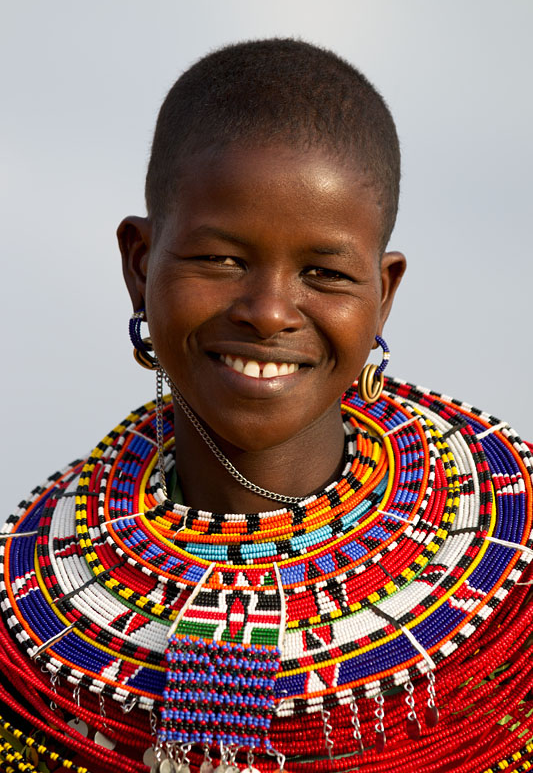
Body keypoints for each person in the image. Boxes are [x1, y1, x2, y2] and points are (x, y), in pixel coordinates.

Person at [0, 38, 532, 773]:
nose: (268, 311)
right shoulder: (24, 620)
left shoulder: (513, 580)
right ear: (138, 264)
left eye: (324, 271)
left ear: (384, 293)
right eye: (220, 259)